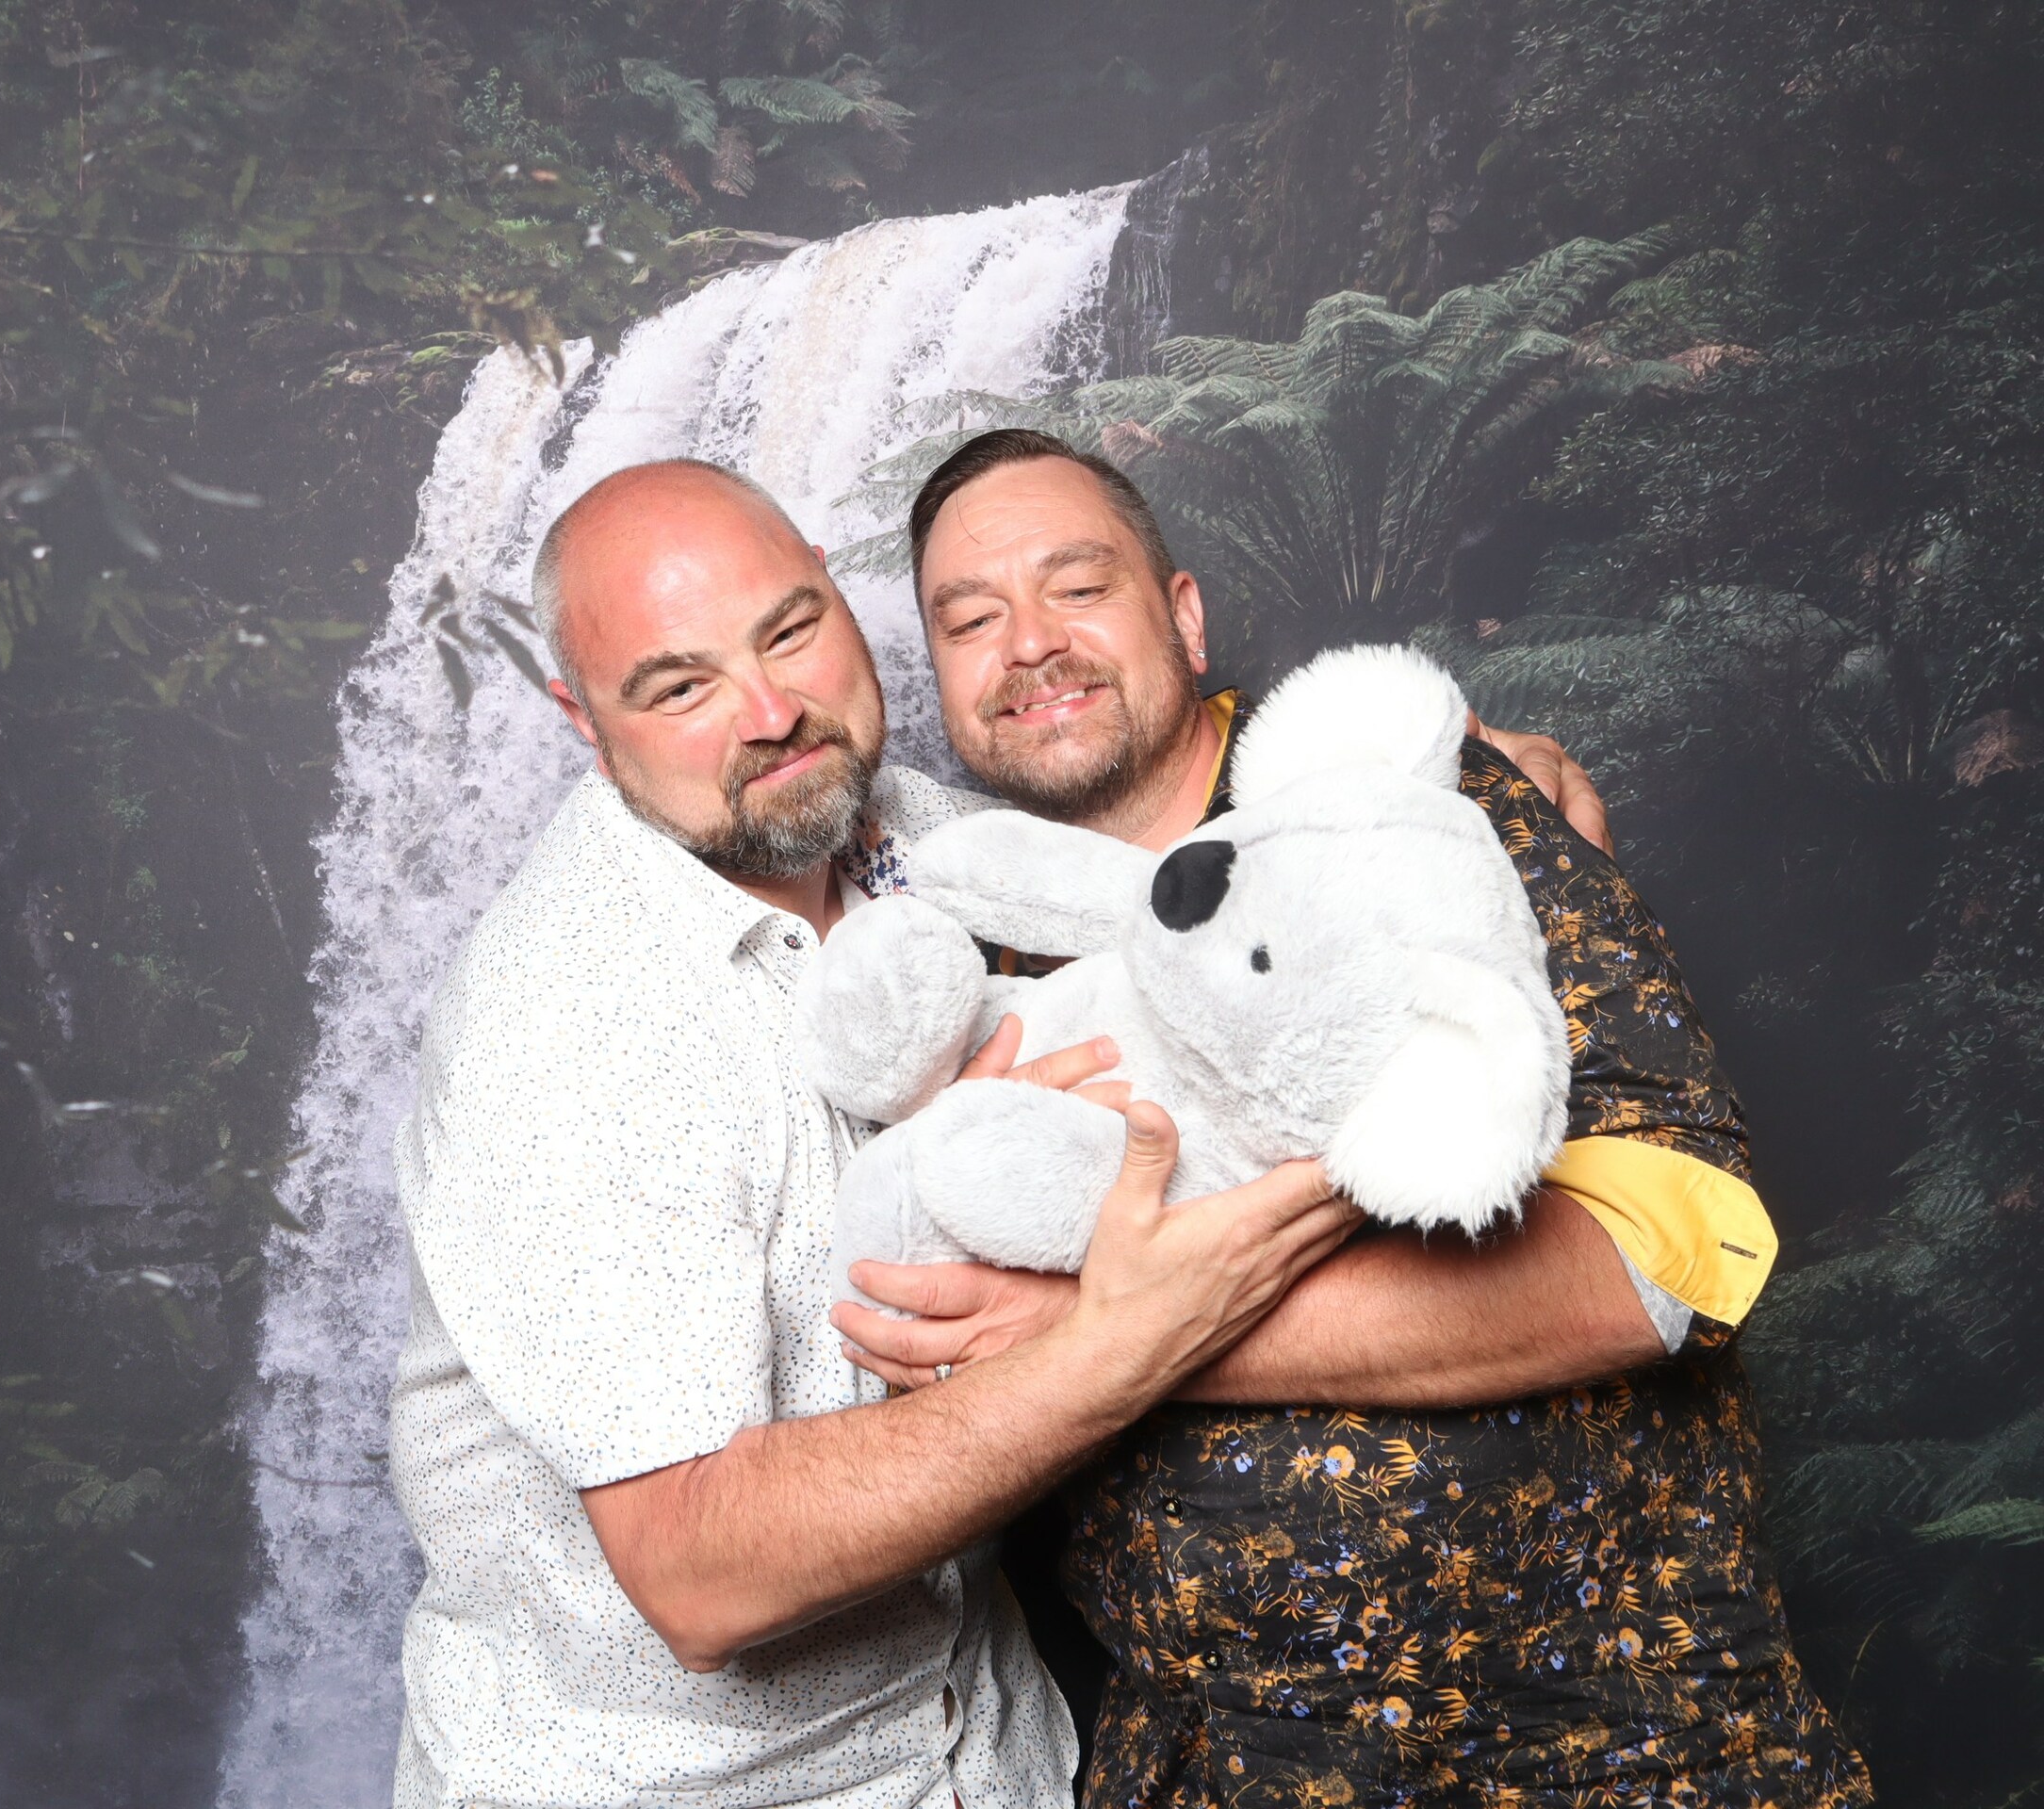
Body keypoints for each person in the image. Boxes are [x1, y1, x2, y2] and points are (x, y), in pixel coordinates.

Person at [384, 456, 1606, 1808]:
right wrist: (1133, 1336)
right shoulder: (563, 1021)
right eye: (681, 689)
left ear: (841, 601)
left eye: (790, 632)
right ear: (582, 717)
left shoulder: (917, 835)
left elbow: (1206, 866)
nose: (772, 713)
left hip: (1009, 1764)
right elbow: (698, 1570)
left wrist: (1449, 798)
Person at [830, 428, 1871, 1804]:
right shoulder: (974, 961)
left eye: (1077, 587)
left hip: (1602, 1746)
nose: (1029, 644)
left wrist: (1113, 1340)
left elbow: (1676, 1253)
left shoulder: (1411, 815)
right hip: (1212, 1766)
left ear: (1184, 618)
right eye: (971, 621)